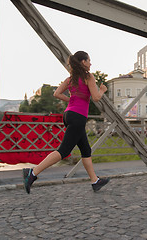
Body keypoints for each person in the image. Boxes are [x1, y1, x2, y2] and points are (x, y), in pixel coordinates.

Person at [23, 51, 110, 194]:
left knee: (86, 150)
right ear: (83, 62)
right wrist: (101, 90)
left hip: (68, 115)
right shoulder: (88, 76)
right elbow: (95, 97)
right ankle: (32, 172)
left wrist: (72, 101)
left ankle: (95, 181)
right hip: (78, 116)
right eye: (89, 60)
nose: (90, 63)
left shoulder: (70, 79)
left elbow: (56, 93)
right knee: (63, 151)